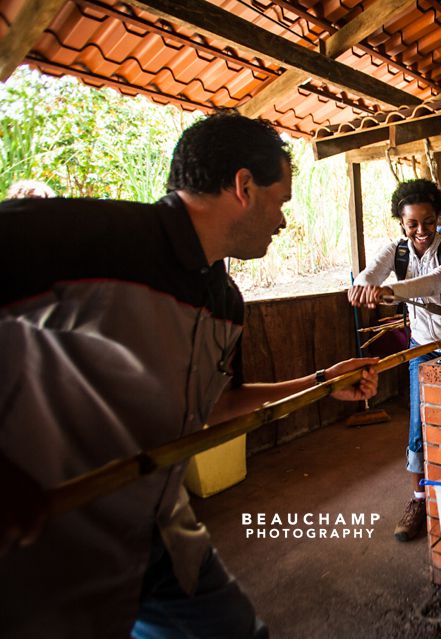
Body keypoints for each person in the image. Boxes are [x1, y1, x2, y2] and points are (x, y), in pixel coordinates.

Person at [0, 112, 378, 639]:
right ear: (244, 186)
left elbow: (215, 405)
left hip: (160, 533)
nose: (284, 220)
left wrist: (322, 380)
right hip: (50, 548)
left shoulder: (223, 300)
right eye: (281, 201)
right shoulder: (97, 240)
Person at [348, 179, 441, 543]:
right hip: (421, 347)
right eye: (412, 223)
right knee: (418, 423)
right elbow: (370, 273)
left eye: (428, 222)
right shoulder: (397, 251)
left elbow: (435, 282)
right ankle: (419, 500)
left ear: (439, 218)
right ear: (401, 222)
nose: (420, 231)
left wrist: (387, 291)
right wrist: (362, 285)